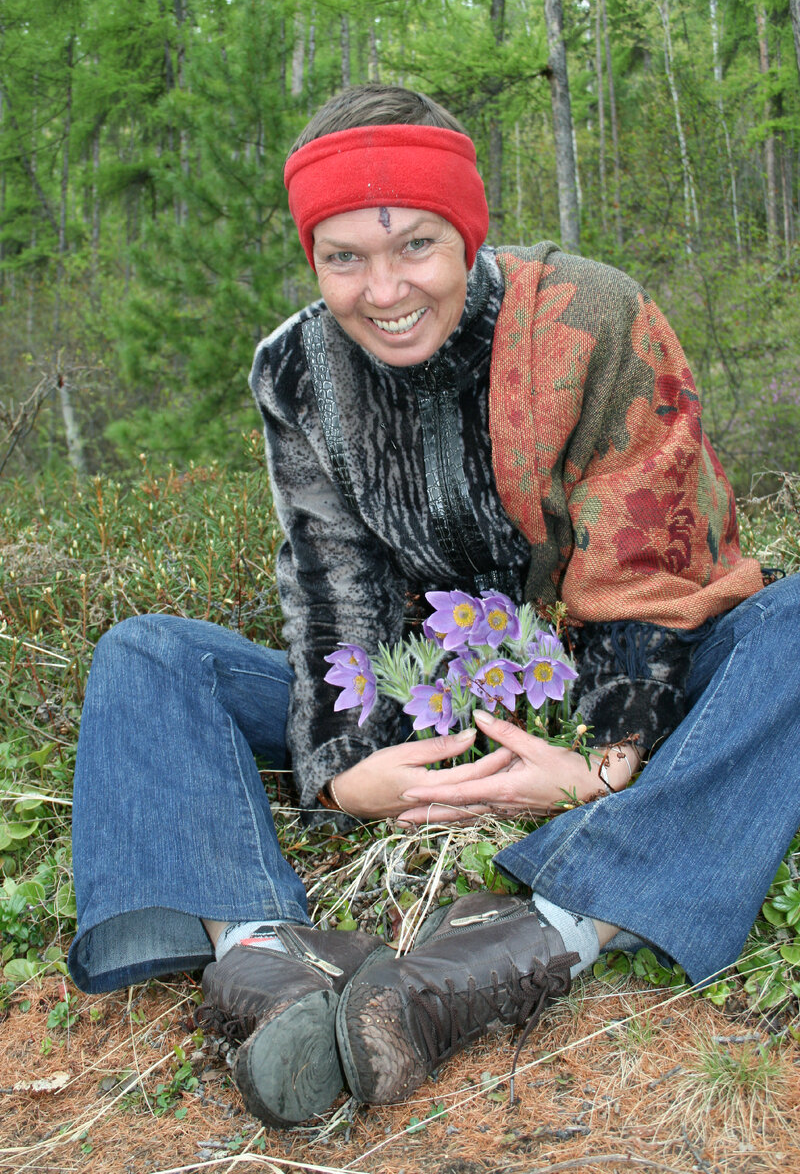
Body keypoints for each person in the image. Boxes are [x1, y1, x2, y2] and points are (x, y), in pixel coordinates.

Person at [68, 83, 800, 1129]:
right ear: (311, 259)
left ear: (466, 232)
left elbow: (654, 559)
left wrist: (596, 762)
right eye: (344, 258)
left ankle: (537, 938)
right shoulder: (294, 369)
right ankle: (260, 962)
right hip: (435, 689)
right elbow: (331, 578)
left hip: (630, 667)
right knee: (148, 655)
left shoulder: (590, 317)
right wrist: (342, 764)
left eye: (414, 244)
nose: (383, 289)